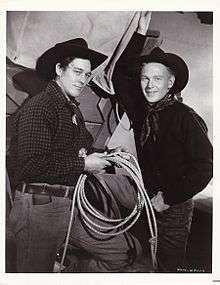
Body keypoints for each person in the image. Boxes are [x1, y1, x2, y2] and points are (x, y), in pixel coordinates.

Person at [8, 31, 151, 272]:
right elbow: (31, 165)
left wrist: (107, 154)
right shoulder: (41, 106)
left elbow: (78, 150)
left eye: (87, 74)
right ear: (59, 69)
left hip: (70, 205)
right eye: (77, 72)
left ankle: (69, 273)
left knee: (126, 252)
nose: (83, 80)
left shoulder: (71, 109)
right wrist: (85, 165)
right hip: (39, 208)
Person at [108, 14, 213, 272]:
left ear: (170, 83)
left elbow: (204, 168)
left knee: (166, 267)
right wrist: (139, 32)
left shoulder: (186, 118)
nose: (149, 85)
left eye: (156, 79)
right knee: (139, 261)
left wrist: (169, 197)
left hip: (174, 207)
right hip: (145, 198)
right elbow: (120, 75)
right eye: (145, 78)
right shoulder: (142, 111)